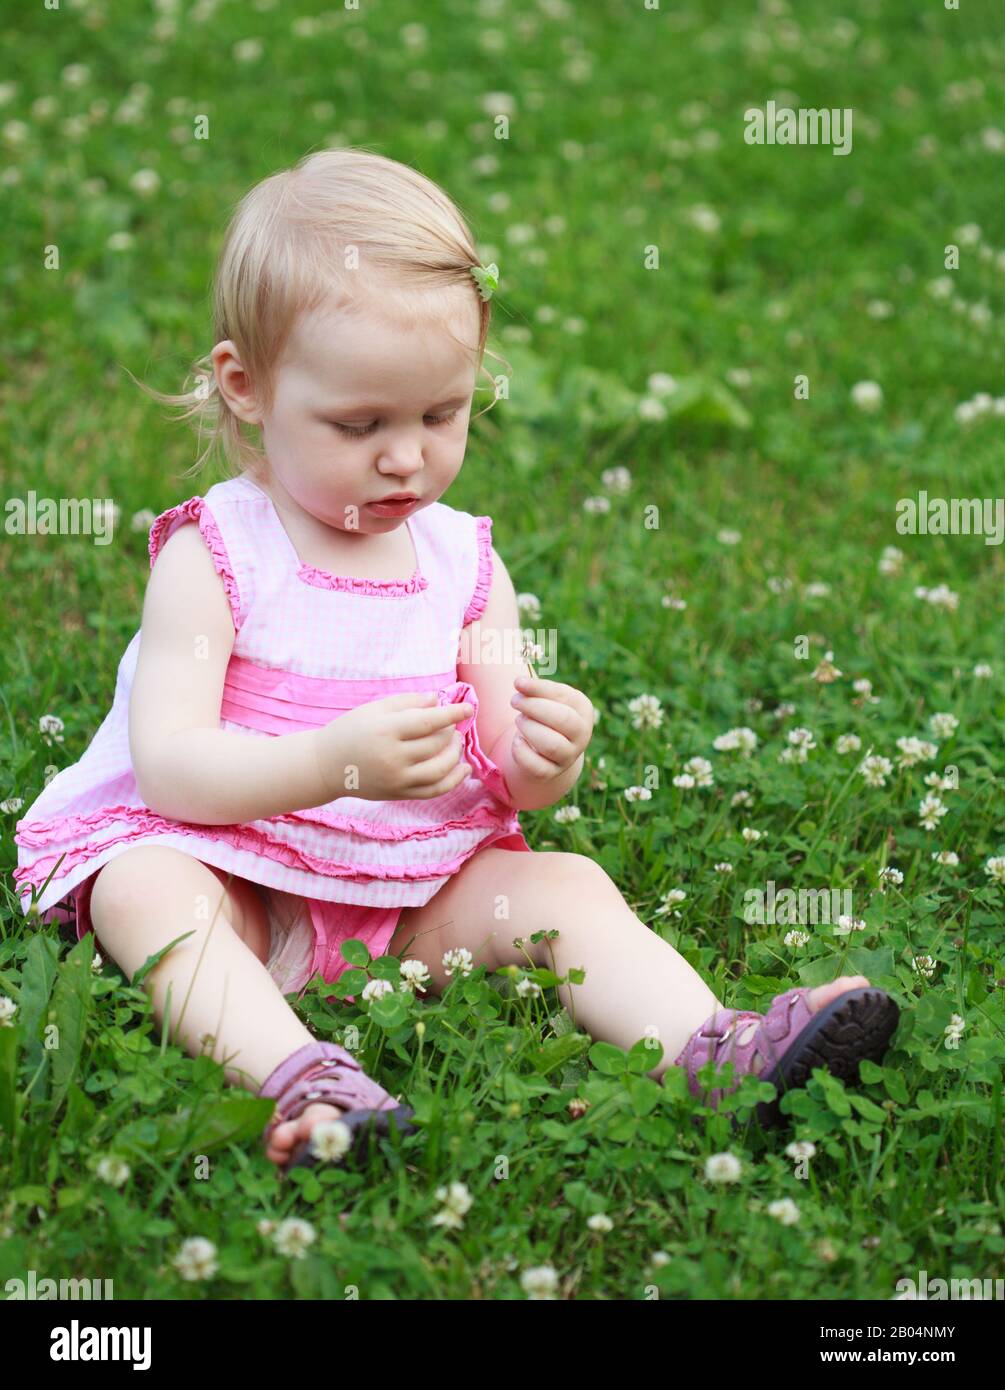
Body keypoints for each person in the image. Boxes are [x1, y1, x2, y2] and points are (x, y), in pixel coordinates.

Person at [13, 148, 899, 1178]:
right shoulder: (217, 556)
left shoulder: (463, 565)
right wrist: (332, 760)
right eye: (360, 424)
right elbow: (170, 768)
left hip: (411, 886)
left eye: (442, 414)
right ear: (246, 387)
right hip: (238, 870)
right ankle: (300, 1077)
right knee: (145, 890)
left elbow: (497, 765)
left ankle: (714, 1048)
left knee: (562, 884)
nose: (406, 457)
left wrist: (541, 758)